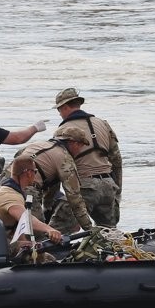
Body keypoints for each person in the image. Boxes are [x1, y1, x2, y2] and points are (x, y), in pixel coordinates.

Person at [5, 126, 95, 235]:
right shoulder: (65, 159)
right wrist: (89, 229)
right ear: (74, 143)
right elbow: (74, 197)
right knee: (37, 233)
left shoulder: (38, 144)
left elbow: (18, 158)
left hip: (5, 182)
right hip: (27, 187)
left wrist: (47, 211)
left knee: (9, 224)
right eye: (81, 146)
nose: (80, 150)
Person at [53, 87, 123, 227]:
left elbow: (60, 163)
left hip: (84, 186)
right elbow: (116, 160)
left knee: (57, 230)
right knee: (108, 232)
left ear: (65, 107)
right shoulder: (103, 124)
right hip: (108, 185)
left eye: (59, 110)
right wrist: (117, 189)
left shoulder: (63, 131)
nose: (59, 114)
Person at [0, 156, 64, 261]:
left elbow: (18, 227)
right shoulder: (9, 195)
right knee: (42, 257)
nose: (35, 175)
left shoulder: (10, 189)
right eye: (35, 172)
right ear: (29, 173)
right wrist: (49, 229)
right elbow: (26, 219)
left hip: (1, 239)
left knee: (43, 253)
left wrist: (28, 242)